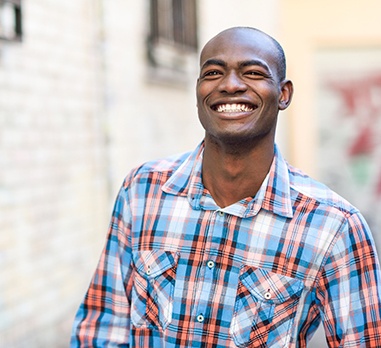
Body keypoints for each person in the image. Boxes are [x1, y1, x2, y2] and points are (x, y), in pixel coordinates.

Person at [71, 27, 381, 347]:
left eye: (253, 72)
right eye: (214, 72)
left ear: (284, 94)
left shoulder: (334, 225)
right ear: (198, 91)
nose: (230, 85)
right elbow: (103, 327)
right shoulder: (142, 191)